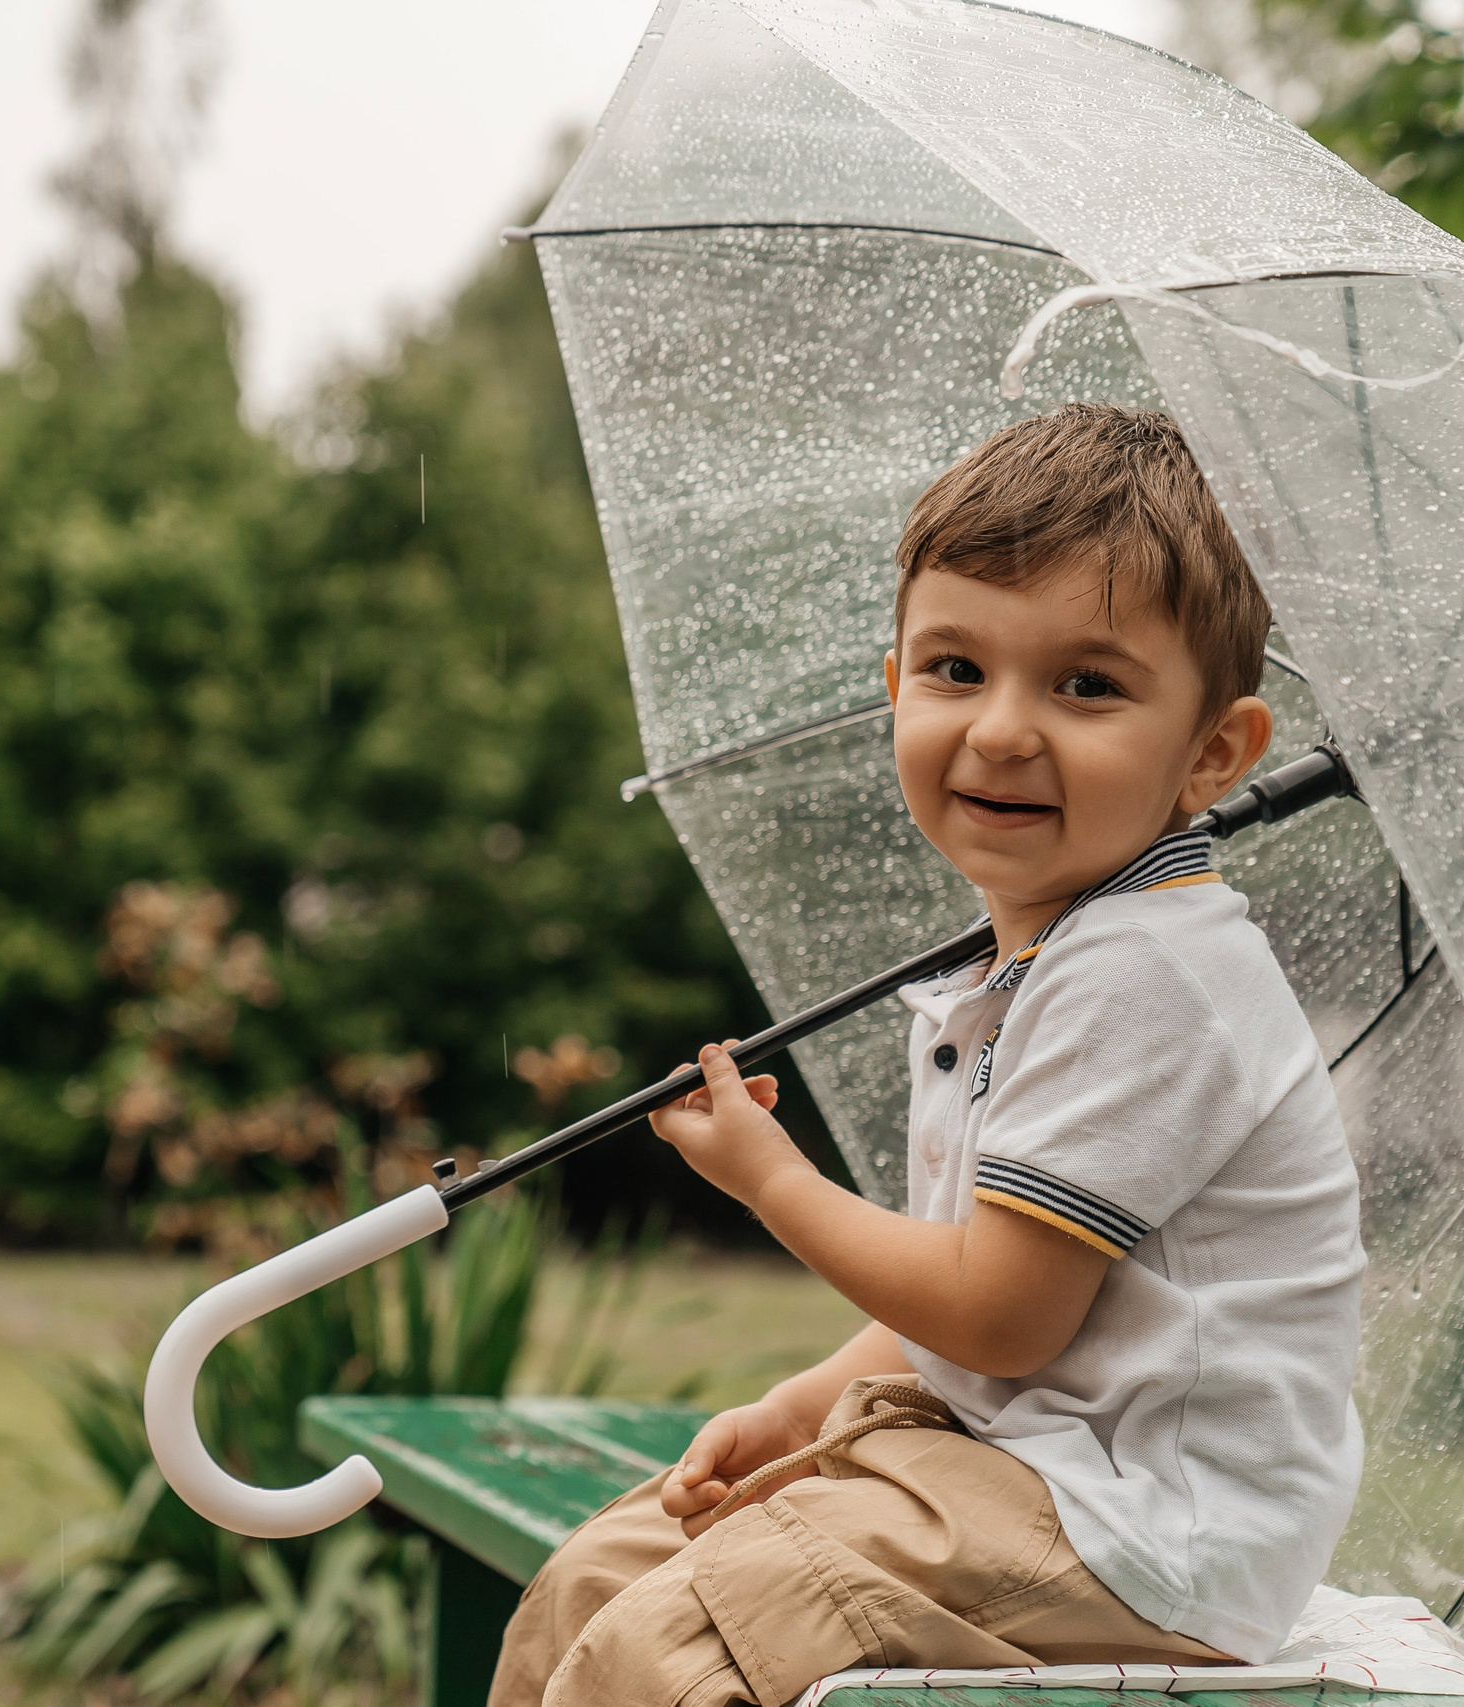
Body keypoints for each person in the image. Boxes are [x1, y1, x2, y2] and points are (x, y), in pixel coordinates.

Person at [490, 404, 1366, 1707]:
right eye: (957, 669)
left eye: (1086, 685)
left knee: (664, 1657)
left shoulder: (1150, 971)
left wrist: (771, 1181)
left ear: (1214, 753)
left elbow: (1000, 1316)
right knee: (603, 1575)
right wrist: (807, 1402)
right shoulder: (1041, 960)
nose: (1004, 728)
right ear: (893, 685)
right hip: (1021, 1471)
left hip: (1149, 1531)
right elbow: (976, 1308)